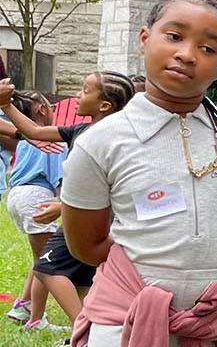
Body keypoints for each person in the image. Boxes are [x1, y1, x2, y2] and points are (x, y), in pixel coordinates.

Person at [61, 0, 217, 347]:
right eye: (174, 36)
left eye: (208, 48)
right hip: (127, 321)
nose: (187, 55)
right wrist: (154, 277)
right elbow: (87, 244)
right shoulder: (101, 141)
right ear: (145, 39)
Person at [0, 71, 134, 329]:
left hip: (86, 220)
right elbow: (33, 131)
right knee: (82, 280)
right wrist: (5, 105)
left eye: (85, 90)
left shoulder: (109, 140)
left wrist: (62, 206)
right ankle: (90, 331)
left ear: (104, 105)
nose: (77, 95)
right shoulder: (79, 130)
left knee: (45, 269)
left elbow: (107, 188)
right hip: (83, 219)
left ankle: (80, 328)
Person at [1, 90, 66, 331]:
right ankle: (36, 319)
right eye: (51, 107)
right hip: (37, 197)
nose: (53, 111)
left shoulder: (24, 140)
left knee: (40, 258)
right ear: (40, 109)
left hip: (17, 196)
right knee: (48, 262)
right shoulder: (51, 141)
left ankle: (23, 306)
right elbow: (59, 180)